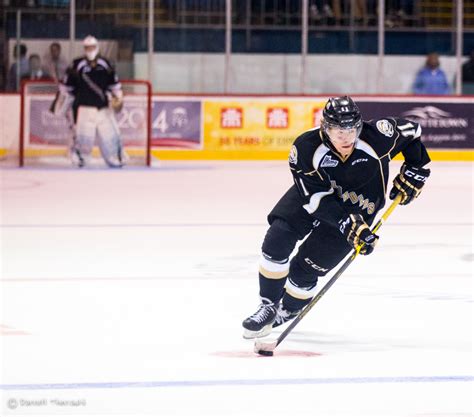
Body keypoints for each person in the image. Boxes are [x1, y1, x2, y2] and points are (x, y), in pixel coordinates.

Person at [242, 96, 431, 339]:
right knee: (278, 237)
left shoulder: (379, 136)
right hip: (320, 196)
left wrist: (417, 168)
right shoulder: (306, 148)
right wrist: (343, 221)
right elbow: (314, 199)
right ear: (325, 127)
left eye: (352, 129)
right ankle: (267, 304)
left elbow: (413, 132)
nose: (346, 138)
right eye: (338, 131)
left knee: (305, 269)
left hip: (361, 208)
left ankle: (287, 310)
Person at [51, 35, 125, 168]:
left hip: (103, 108)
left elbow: (115, 85)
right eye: (87, 47)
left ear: (97, 47)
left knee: (110, 137)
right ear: (84, 48)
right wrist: (61, 105)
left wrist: (118, 98)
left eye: (92, 47)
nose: (90, 50)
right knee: (83, 139)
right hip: (83, 108)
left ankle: (116, 159)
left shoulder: (106, 64)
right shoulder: (76, 64)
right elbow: (66, 88)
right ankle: (80, 160)